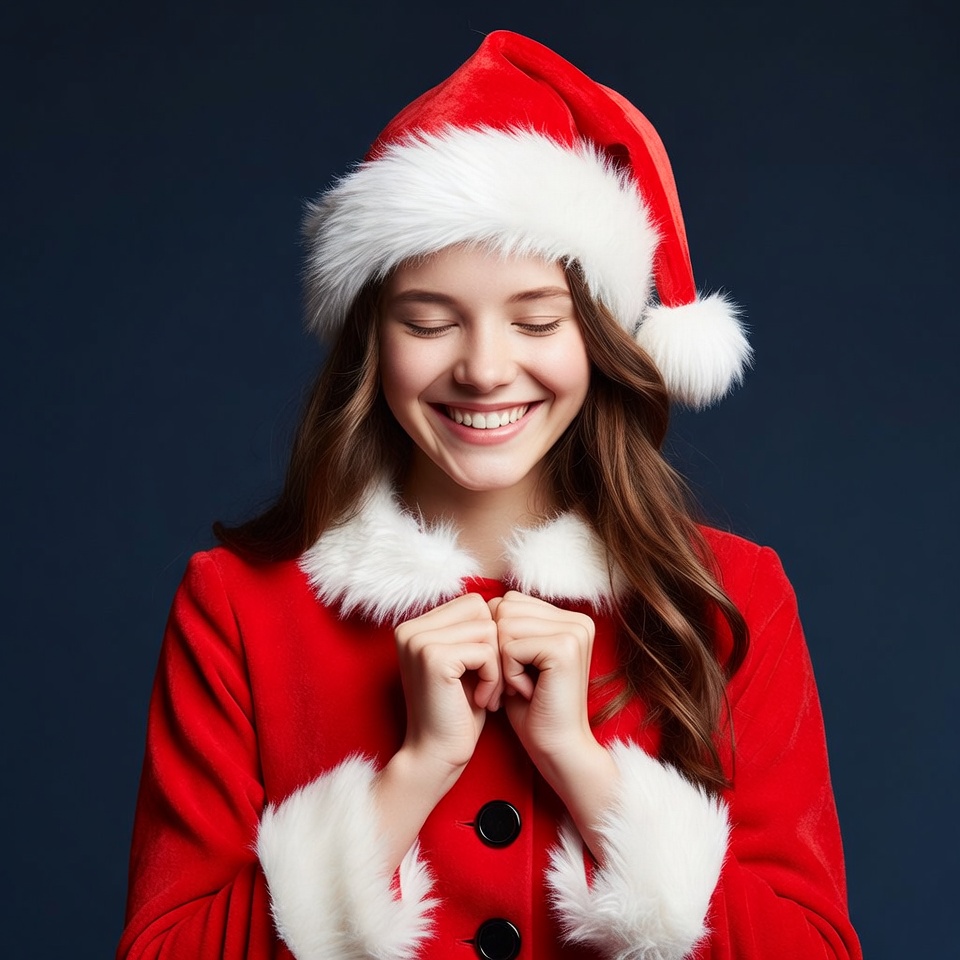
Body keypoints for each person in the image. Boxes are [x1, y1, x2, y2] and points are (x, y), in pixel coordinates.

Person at [117, 30, 861, 960]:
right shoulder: (235, 605)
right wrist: (408, 780)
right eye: (428, 322)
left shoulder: (731, 596)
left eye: (537, 320)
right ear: (370, 343)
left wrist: (587, 772)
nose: (482, 369)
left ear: (599, 338)